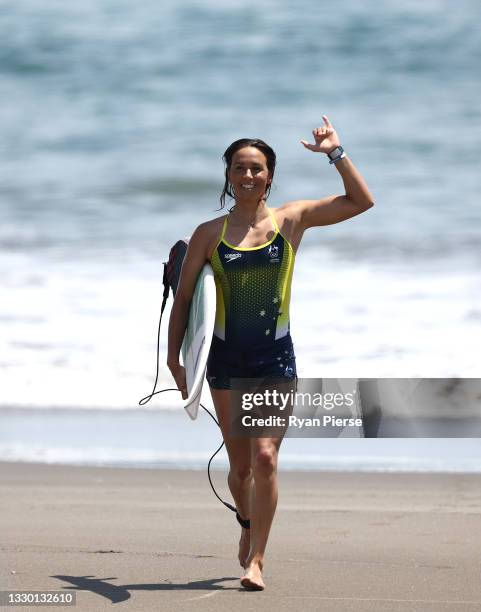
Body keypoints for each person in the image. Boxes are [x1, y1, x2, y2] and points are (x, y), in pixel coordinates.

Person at [167, 115, 374, 591]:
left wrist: (335, 154)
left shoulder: (290, 221)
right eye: (239, 168)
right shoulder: (208, 234)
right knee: (240, 471)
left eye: (257, 168)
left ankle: (256, 560)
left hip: (275, 362)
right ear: (228, 176)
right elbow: (185, 302)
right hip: (225, 363)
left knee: (265, 460)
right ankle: (245, 520)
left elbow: (361, 201)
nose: (248, 176)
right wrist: (176, 361)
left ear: (270, 176)